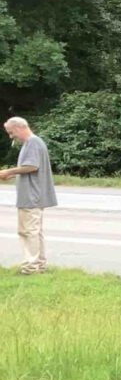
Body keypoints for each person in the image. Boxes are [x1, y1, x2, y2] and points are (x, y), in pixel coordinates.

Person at [1, 117, 57, 274]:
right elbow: (30, 170)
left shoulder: (32, 142)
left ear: (19, 128)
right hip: (33, 195)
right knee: (35, 231)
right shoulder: (33, 142)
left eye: (11, 133)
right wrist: (12, 175)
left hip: (31, 197)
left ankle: (30, 267)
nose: (11, 136)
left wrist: (8, 171)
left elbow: (32, 166)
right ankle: (39, 264)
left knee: (28, 231)